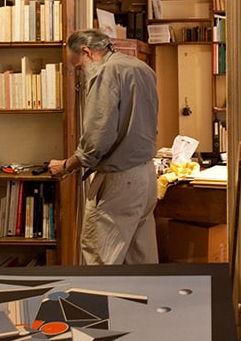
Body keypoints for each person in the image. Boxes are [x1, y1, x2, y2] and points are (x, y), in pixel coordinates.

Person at [49, 29, 159, 264]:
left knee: (101, 257)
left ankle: (103, 303)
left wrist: (67, 165)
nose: (79, 73)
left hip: (120, 180)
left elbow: (98, 137)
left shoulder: (106, 72)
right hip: (147, 175)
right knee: (140, 259)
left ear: (87, 52)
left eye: (78, 67)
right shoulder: (141, 68)